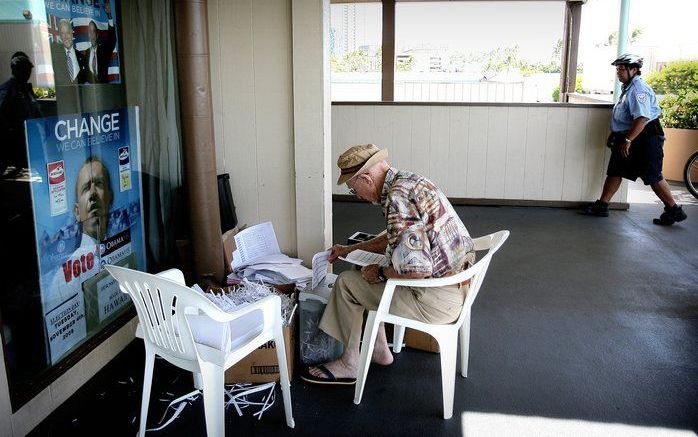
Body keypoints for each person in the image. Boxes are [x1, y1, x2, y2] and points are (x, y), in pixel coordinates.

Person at [302, 144, 475, 385]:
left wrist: (381, 273)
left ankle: (349, 363)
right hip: (458, 287)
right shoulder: (409, 181)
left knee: (346, 283)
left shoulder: (397, 198)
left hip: (435, 301)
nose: (358, 196)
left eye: (354, 190)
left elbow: (418, 272)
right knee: (359, 270)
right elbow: (395, 235)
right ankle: (380, 350)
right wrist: (349, 249)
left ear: (366, 179)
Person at [582, 54, 687, 226]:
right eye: (617, 69)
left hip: (645, 137)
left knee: (652, 175)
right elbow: (625, 117)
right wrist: (616, 133)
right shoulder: (628, 87)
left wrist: (628, 139)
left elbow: (642, 118)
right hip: (630, 135)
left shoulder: (639, 89)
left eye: (622, 69)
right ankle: (602, 205)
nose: (618, 72)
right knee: (616, 168)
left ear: (634, 70)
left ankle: (674, 210)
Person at [46, 157, 113, 310]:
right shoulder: (61, 281)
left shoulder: (123, 251)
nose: (92, 194)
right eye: (85, 188)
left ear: (110, 198)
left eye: (99, 184)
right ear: (77, 211)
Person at [0, 53, 42, 177]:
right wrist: (10, 130)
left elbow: (35, 109)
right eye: (25, 70)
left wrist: (44, 125)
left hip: (31, 135)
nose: (28, 73)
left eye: (29, 70)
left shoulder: (27, 89)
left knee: (37, 163)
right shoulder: (7, 89)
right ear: (16, 70)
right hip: (16, 138)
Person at [85, 0, 117, 83]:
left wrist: (109, 15)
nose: (92, 34)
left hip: (104, 91)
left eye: (93, 31)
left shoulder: (103, 50)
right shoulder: (86, 53)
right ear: (87, 35)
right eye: (89, 31)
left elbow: (112, 40)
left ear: (97, 34)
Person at [51, 19, 90, 85]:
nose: (66, 37)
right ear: (59, 35)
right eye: (62, 33)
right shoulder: (55, 56)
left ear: (72, 33)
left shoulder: (82, 57)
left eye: (68, 32)